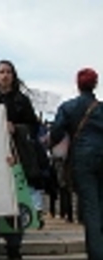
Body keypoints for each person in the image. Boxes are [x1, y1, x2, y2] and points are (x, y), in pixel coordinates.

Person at [0, 60, 41, 260]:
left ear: (13, 76)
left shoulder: (22, 100)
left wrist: (17, 128)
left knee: (16, 202)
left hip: (16, 158)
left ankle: (14, 246)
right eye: (1, 72)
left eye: (8, 72)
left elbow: (34, 127)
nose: (4, 75)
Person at [48, 68, 103, 260]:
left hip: (82, 159)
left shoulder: (68, 107)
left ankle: (97, 254)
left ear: (77, 85)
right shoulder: (101, 107)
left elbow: (56, 132)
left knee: (91, 208)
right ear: (95, 84)